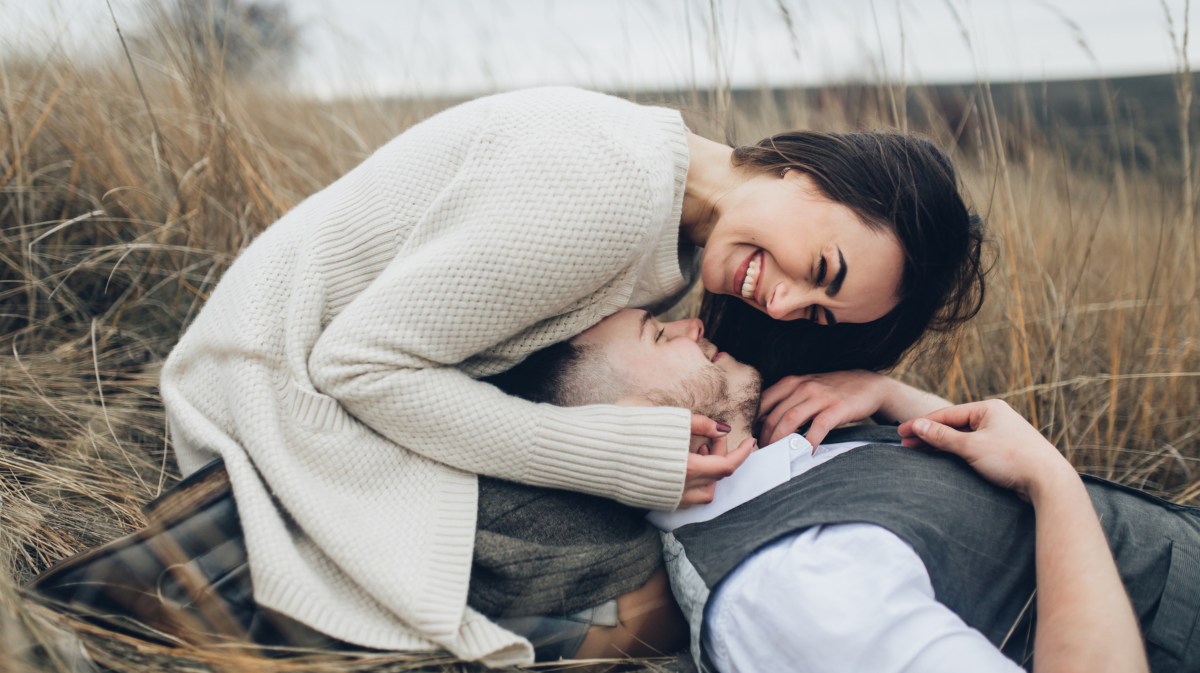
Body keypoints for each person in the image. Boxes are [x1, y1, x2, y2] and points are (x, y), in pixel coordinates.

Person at [154, 86, 985, 663]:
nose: (786, 299)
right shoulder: (609, 191)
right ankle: (217, 576)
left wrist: (886, 393)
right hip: (270, 401)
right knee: (666, 556)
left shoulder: (672, 214)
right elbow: (360, 367)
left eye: (816, 314)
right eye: (824, 268)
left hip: (332, 389)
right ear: (811, 174)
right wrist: (602, 453)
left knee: (685, 520)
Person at [473, 309, 1186, 672]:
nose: (694, 321)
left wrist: (892, 393)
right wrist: (1053, 480)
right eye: (662, 335)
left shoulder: (783, 451)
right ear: (629, 427)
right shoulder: (788, 586)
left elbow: (973, 521)